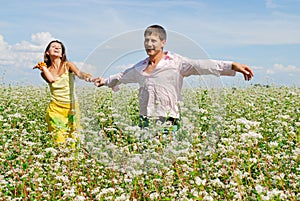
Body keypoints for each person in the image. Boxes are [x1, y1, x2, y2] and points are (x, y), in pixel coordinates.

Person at [92, 25, 254, 131]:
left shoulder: (176, 62)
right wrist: (104, 81)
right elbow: (121, 76)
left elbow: (203, 65)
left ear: (163, 42)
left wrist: (232, 65)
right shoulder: (140, 67)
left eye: (153, 40)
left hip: (168, 121)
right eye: (146, 40)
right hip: (145, 120)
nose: (149, 44)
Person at [34, 40, 93, 146]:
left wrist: (86, 76)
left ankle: (72, 162)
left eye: (59, 48)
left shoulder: (67, 65)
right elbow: (51, 79)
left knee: (73, 139)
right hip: (55, 109)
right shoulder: (45, 72)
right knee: (59, 140)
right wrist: (43, 67)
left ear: (62, 54)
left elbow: (79, 73)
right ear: (47, 52)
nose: (56, 48)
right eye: (53, 46)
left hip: (72, 108)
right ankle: (61, 160)